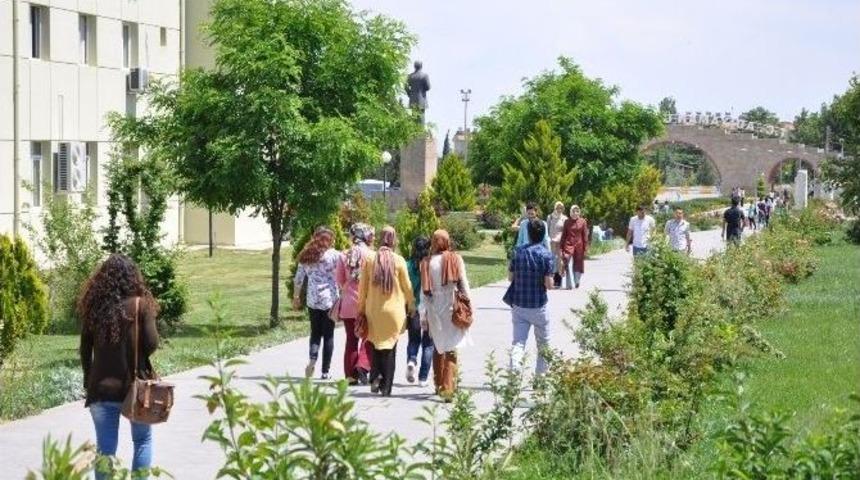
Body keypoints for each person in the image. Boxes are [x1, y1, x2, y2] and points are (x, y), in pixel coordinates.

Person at [78, 254, 159, 480]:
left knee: (105, 451)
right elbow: (152, 344)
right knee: (142, 440)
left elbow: (85, 349)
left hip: (101, 389)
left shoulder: (94, 308)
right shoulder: (141, 305)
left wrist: (88, 378)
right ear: (133, 278)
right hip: (135, 388)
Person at [357, 226, 415, 396]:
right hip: (394, 313)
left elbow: (362, 289)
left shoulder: (369, 259)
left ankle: (375, 376)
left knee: (375, 346)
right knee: (390, 349)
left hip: (374, 311)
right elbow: (408, 288)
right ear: (394, 239)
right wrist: (411, 305)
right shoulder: (399, 260)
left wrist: (360, 309)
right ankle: (386, 387)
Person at [420, 230, 473, 400]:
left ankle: (438, 384)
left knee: (438, 346)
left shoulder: (427, 262)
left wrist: (423, 314)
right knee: (451, 348)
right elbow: (463, 283)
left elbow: (423, 293)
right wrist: (469, 304)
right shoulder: (455, 258)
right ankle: (448, 388)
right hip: (451, 306)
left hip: (434, 308)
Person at [503, 219, 554, 375]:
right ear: (543, 234)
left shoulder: (518, 252)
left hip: (519, 304)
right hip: (538, 305)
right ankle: (540, 379)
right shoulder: (546, 255)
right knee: (543, 344)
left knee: (518, 342)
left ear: (529, 234)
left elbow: (510, 278)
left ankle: (515, 369)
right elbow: (549, 284)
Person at [293, 227, 340, 380]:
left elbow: (299, 279)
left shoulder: (306, 255)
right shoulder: (333, 255)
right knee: (328, 336)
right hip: (329, 301)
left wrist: (296, 297)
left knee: (315, 333)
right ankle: (325, 372)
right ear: (328, 240)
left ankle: (312, 360)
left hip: (312, 300)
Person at [336, 223, 375, 385]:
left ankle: (350, 376)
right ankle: (363, 365)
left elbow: (339, 280)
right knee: (369, 337)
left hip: (348, 304)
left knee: (351, 340)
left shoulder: (343, 255)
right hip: (366, 303)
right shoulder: (372, 255)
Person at [405, 236, 434, 387]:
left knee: (413, 339)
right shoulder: (430, 265)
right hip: (428, 308)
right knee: (428, 344)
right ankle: (423, 378)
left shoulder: (407, 265)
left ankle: (411, 359)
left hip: (413, 308)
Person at [559, 205, 588, 289]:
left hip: (579, 245)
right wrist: (561, 247)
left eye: (577, 211)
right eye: (573, 211)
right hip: (568, 245)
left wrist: (585, 248)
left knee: (578, 264)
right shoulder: (567, 222)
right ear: (570, 212)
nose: (575, 213)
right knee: (567, 262)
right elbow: (564, 235)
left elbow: (585, 236)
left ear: (579, 212)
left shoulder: (583, 221)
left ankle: (577, 281)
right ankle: (569, 284)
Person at [546, 201, 568, 288]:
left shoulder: (564, 218)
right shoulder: (550, 217)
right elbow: (547, 229)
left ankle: (559, 279)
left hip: (561, 241)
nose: (559, 209)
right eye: (557, 207)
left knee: (560, 260)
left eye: (561, 208)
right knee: (552, 259)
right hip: (551, 241)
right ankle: (551, 279)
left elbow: (566, 231)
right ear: (555, 208)